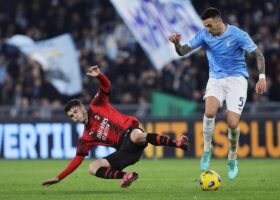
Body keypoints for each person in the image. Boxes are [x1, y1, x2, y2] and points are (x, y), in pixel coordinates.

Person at [41, 65, 190, 188]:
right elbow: (77, 160)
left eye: (75, 111)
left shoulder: (97, 105)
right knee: (92, 168)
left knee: (137, 135)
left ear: (81, 107)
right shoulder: (86, 138)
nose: (75, 116)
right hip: (126, 152)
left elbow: (106, 86)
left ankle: (177, 143)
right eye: (71, 116)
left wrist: (99, 76)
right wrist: (58, 177)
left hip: (130, 132)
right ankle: (127, 176)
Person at [168, 7, 266, 180]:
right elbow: (183, 51)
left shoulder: (238, 35)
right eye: (205, 26)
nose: (207, 29)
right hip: (216, 79)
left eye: (209, 26)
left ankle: (232, 157)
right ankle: (207, 149)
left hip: (237, 80)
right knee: (209, 112)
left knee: (232, 123)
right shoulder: (204, 35)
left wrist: (262, 77)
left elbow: (258, 55)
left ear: (219, 22)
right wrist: (176, 44)